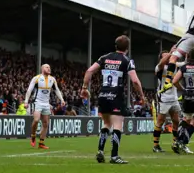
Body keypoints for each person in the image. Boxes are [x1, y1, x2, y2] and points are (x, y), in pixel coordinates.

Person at [81, 35, 146, 164]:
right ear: (127, 48)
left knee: (106, 124)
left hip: (103, 95)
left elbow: (89, 71)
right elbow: (135, 81)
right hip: (116, 96)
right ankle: (114, 156)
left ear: (115, 46)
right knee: (117, 125)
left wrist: (84, 88)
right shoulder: (127, 60)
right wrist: (142, 96)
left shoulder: (104, 58)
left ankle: (100, 150)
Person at [24, 63, 65, 149]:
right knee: (36, 120)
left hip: (46, 103)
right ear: (42, 69)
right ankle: (33, 136)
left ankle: (41, 143)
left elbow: (57, 90)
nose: (49, 68)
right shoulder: (36, 78)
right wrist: (26, 101)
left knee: (46, 123)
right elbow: (29, 90)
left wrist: (62, 99)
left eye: (50, 67)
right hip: (38, 102)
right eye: (47, 67)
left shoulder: (52, 79)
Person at [153, 49, 181, 153]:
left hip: (174, 98)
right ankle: (155, 145)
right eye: (165, 57)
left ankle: (175, 143)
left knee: (176, 121)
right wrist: (171, 53)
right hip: (163, 98)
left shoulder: (174, 67)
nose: (168, 58)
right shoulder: (159, 68)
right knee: (160, 121)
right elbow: (161, 63)